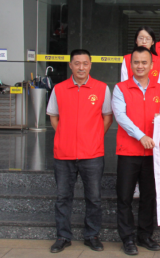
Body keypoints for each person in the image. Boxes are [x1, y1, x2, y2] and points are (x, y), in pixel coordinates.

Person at [47, 49, 113, 253]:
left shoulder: (102, 88)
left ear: (90, 65)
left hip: (92, 154)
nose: (81, 67)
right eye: (77, 63)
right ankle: (63, 236)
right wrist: (64, 135)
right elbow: (53, 116)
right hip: (64, 154)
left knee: (94, 198)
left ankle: (92, 235)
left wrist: (94, 136)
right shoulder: (59, 88)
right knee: (63, 198)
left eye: (85, 63)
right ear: (70, 65)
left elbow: (107, 116)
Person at [112, 47, 160, 256]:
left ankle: (145, 236)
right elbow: (121, 117)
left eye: (144, 62)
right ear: (130, 64)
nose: (140, 66)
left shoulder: (159, 89)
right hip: (128, 151)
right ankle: (127, 238)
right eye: (136, 62)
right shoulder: (120, 88)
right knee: (124, 197)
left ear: (152, 66)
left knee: (149, 196)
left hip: (152, 153)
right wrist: (141, 136)